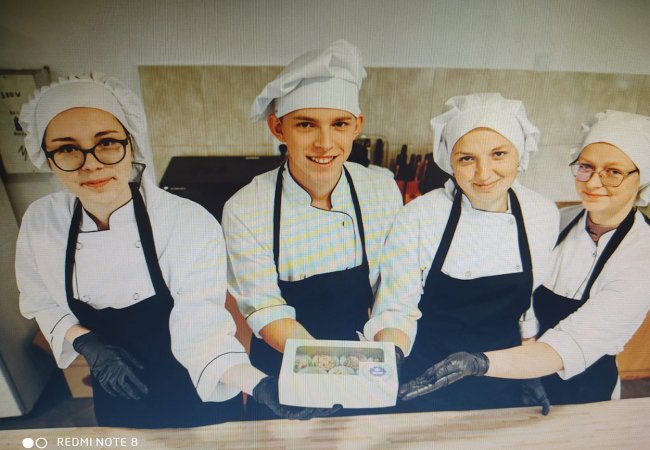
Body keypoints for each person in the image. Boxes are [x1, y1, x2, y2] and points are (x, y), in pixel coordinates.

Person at [16, 73, 337, 428]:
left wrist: (260, 386)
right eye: (67, 148)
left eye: (106, 142)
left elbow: (201, 331)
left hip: (199, 392)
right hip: (117, 395)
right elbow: (41, 299)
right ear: (46, 157)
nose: (90, 163)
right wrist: (86, 342)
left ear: (130, 144)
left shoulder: (185, 223)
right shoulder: (42, 222)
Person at [399, 110, 650, 409]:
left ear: (643, 177)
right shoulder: (554, 219)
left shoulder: (642, 256)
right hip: (516, 374)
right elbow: (523, 303)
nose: (594, 182)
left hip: (582, 385)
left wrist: (479, 363)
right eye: (586, 167)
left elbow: (573, 343)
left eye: (613, 172)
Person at [222, 40, 403, 418]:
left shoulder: (382, 191)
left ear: (357, 126)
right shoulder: (246, 208)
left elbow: (394, 288)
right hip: (284, 368)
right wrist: (331, 373)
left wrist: (391, 351)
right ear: (278, 128)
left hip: (366, 364)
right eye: (306, 125)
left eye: (339, 124)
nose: (325, 143)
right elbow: (265, 308)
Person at [366, 93, 560, 412]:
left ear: (519, 154)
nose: (483, 173)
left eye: (499, 154)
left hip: (501, 375)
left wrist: (530, 369)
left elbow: (527, 306)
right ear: (450, 162)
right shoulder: (420, 216)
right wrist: (392, 357)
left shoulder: (541, 213)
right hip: (424, 380)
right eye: (467, 158)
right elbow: (396, 307)